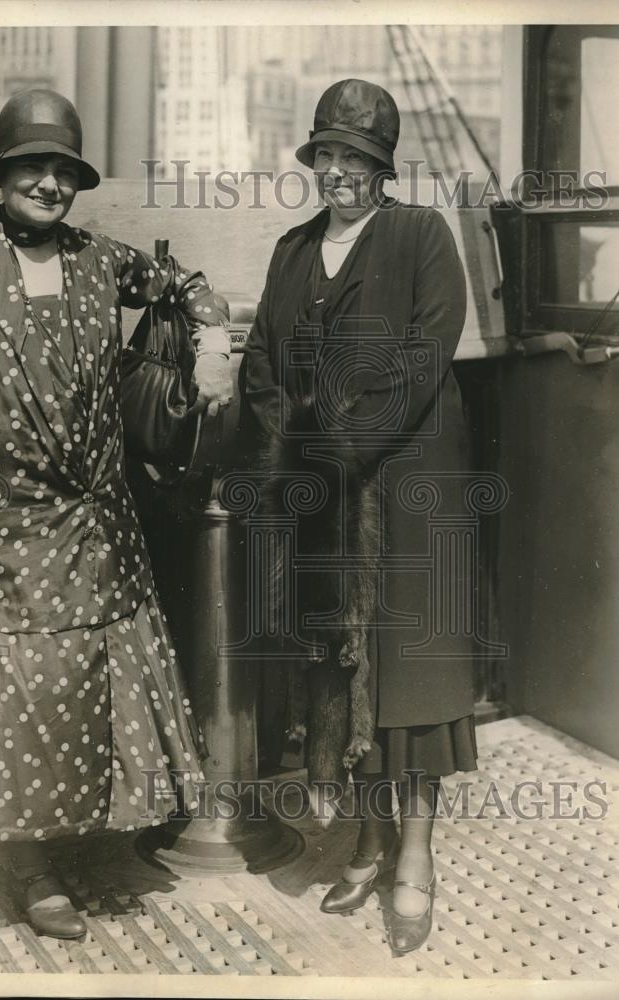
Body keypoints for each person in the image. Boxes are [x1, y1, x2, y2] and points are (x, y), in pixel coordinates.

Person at [0, 89, 233, 940]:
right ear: (4, 175)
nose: (48, 185)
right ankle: (32, 865)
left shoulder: (97, 259)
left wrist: (213, 340)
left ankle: (87, 842)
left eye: (62, 172)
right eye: (31, 169)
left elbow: (186, 284)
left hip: (97, 520)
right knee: (22, 695)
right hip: (5, 524)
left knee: (92, 683)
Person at [242, 79, 476, 956]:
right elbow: (264, 366)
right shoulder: (293, 249)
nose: (340, 172)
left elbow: (426, 355)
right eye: (328, 155)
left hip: (411, 483)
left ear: (383, 168)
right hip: (328, 500)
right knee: (344, 671)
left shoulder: (422, 236)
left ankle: (413, 855)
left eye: (358, 159)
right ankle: (371, 840)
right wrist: (293, 459)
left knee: (410, 680)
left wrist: (344, 446)